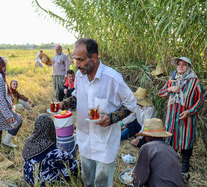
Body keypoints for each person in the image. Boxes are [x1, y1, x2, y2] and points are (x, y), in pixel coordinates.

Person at [59, 38, 136, 186]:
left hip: (105, 144)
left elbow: (131, 104)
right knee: (87, 181)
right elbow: (77, 97)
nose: (76, 64)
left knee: (101, 183)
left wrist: (111, 118)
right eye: (75, 60)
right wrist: (63, 104)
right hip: (85, 140)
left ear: (93, 58)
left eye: (80, 60)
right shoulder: (80, 77)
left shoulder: (113, 78)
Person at [159, 57, 204, 180]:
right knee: (171, 140)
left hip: (186, 118)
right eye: (179, 64)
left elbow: (200, 100)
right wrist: (170, 89)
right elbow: (161, 93)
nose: (181, 66)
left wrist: (189, 112)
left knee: (186, 141)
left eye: (184, 64)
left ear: (188, 67)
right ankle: (171, 164)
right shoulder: (172, 80)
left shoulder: (194, 82)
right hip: (172, 117)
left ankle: (184, 168)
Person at [22, 113, 78, 186]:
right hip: (41, 182)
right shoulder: (49, 147)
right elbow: (67, 158)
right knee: (71, 165)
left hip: (29, 176)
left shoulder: (29, 140)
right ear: (50, 128)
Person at [133, 118, 185, 187]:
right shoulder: (170, 148)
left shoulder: (147, 148)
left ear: (148, 137)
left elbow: (139, 180)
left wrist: (133, 181)